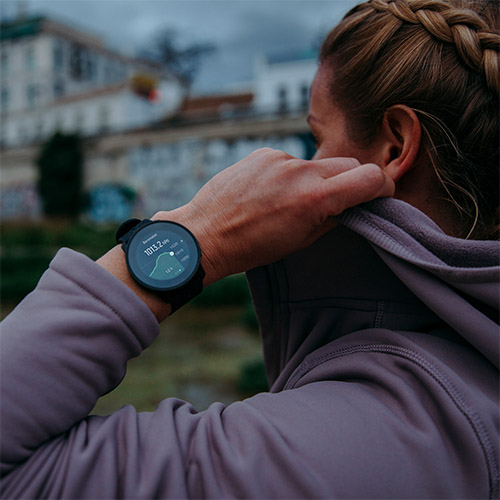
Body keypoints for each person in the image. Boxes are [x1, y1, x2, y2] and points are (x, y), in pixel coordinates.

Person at [1, 0, 498, 497]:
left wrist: (200, 232)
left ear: (393, 148)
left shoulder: (356, 449)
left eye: (317, 137)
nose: (305, 161)